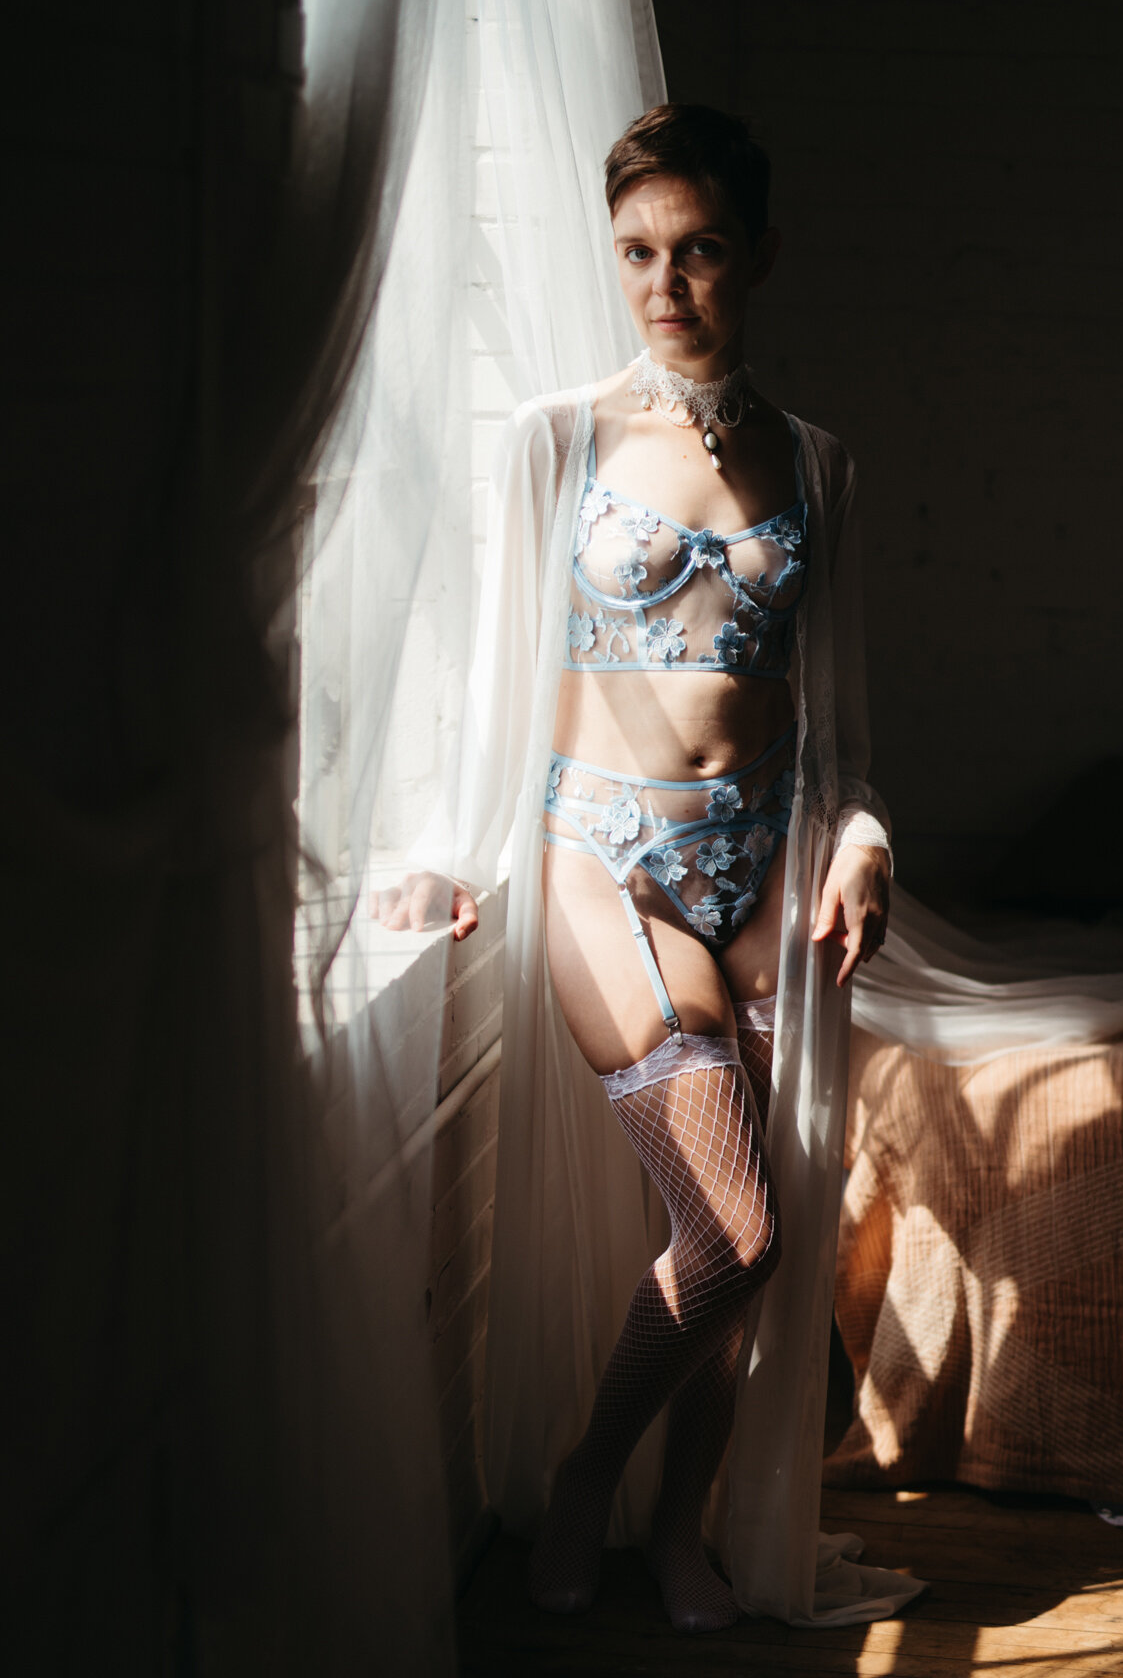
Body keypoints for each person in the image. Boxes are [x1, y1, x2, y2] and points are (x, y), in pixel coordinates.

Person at [372, 105, 920, 1632]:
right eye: (635, 255)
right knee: (732, 1225)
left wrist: (861, 841)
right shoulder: (555, 438)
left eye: (699, 254)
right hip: (601, 855)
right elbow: (487, 674)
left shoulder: (818, 463)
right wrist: (445, 852)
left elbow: (842, 730)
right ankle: (583, 1476)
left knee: (747, 1256)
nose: (664, 285)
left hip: (761, 860)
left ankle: (678, 1524)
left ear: (758, 258)